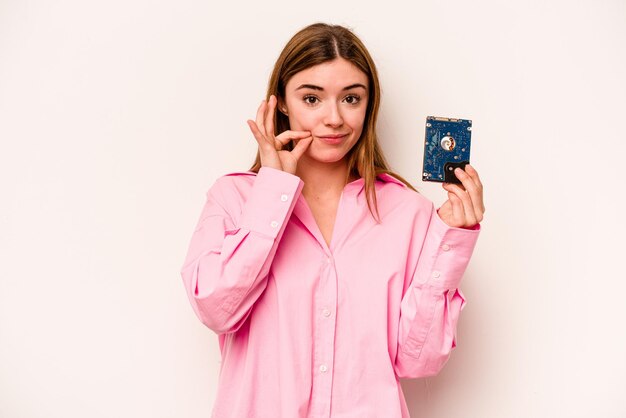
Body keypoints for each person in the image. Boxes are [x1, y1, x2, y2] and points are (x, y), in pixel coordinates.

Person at [180, 22, 484, 418]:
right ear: (282, 103)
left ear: (368, 105)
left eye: (351, 99)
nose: (335, 118)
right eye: (312, 98)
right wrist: (273, 193)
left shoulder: (409, 212)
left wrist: (452, 242)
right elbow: (218, 309)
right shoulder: (236, 199)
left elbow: (418, 361)